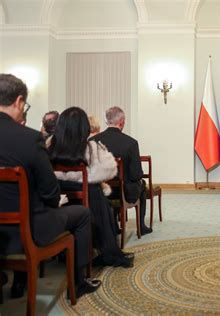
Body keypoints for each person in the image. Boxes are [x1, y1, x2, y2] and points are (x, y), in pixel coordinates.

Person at [0, 74, 100, 299]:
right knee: (82, 214)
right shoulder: (30, 139)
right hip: (27, 231)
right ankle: (79, 282)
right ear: (18, 102)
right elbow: (51, 193)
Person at [48, 107, 134, 268]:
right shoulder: (90, 148)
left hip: (59, 197)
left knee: (97, 194)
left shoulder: (51, 147)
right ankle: (108, 251)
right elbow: (108, 170)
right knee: (99, 196)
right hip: (88, 198)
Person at [90, 106, 152, 235]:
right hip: (124, 192)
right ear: (122, 122)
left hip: (99, 191)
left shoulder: (92, 141)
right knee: (142, 185)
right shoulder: (131, 143)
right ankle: (141, 226)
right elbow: (136, 175)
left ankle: (113, 225)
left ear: (107, 122)